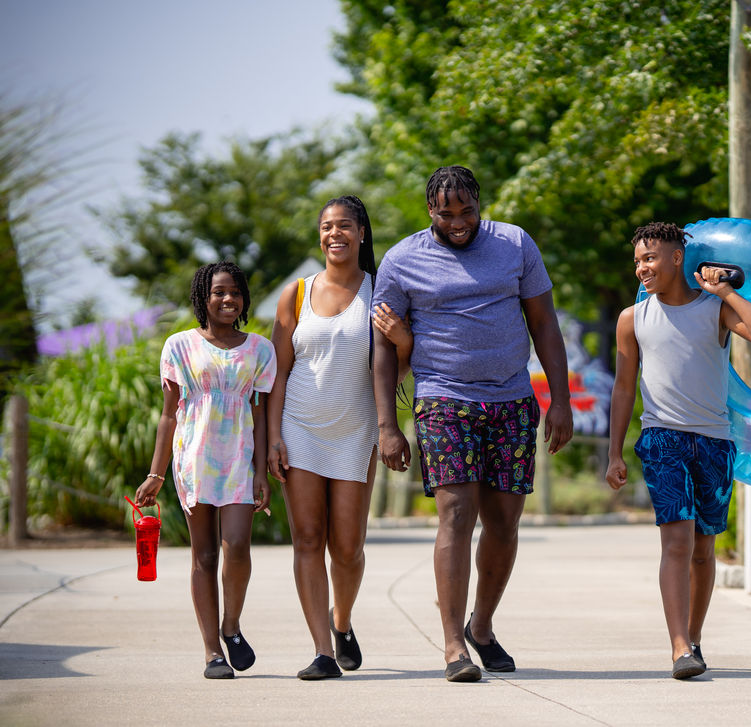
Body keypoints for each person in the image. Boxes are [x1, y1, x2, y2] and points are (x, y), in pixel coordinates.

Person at [370, 165, 573, 683]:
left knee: (503, 524)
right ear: (429, 211)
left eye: (467, 211)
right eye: (446, 213)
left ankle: (481, 626)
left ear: (480, 204)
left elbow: (543, 321)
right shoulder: (400, 260)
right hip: (443, 399)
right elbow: (382, 349)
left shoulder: (515, 244)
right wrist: (387, 425)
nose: (458, 222)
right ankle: (453, 644)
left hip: (511, 400)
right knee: (456, 515)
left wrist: (561, 400)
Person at [604, 222, 751, 680]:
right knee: (677, 541)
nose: (642, 267)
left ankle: (695, 639)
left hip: (715, 441)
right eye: (638, 260)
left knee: (704, 549)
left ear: (677, 258)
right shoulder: (633, 319)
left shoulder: (714, 310)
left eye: (651, 258)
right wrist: (614, 452)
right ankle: (679, 645)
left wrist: (725, 292)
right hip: (663, 437)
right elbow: (624, 388)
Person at [267, 195, 403, 680]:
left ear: (362, 232)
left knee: (347, 547)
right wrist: (272, 438)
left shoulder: (381, 290)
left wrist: (404, 342)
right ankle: (323, 651)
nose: (335, 234)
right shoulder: (296, 294)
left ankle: (341, 622)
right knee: (307, 538)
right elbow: (276, 374)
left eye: (345, 225)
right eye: (327, 227)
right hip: (298, 427)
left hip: (355, 429)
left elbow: (395, 366)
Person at [135, 261, 276, 680]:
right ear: (203, 298)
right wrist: (155, 474)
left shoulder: (260, 350)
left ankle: (231, 626)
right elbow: (168, 416)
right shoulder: (178, 346)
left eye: (235, 292)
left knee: (237, 547)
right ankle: (212, 651)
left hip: (238, 458)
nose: (228, 299)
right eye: (219, 292)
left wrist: (261, 471)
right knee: (205, 554)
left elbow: (262, 414)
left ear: (244, 299)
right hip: (194, 459)